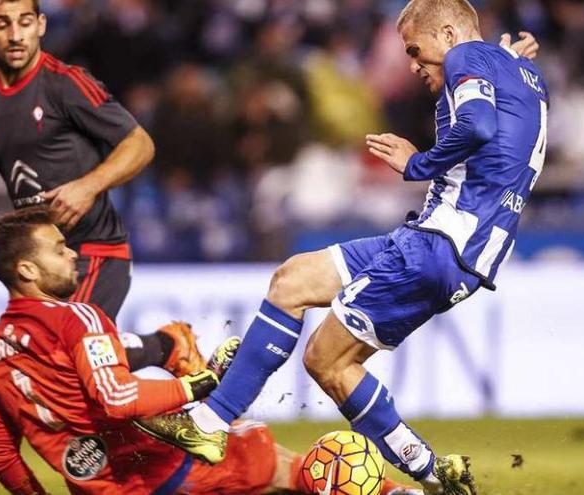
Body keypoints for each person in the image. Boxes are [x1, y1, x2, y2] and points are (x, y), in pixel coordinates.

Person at [138, 2, 547, 494]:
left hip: (441, 245)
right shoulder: (520, 71)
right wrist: (504, 57)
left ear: (447, 32)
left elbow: (478, 125)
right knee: (292, 280)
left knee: (327, 361)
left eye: (416, 51)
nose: (414, 65)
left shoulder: (464, 57)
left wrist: (418, 163)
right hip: (439, 241)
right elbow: (499, 113)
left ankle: (431, 477)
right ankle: (212, 423)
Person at [0, 207, 420, 495]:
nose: (72, 254)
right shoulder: (77, 319)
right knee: (299, 471)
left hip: (100, 489)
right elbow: (116, 398)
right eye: (58, 249)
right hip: (164, 472)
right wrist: (202, 383)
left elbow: (2, 456)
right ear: (27, 269)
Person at [0, 0, 180, 371]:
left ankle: (168, 349)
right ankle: (166, 349)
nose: (15, 34)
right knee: (65, 364)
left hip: (92, 250)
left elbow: (139, 144)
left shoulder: (66, 83)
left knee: (68, 361)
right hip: (41, 262)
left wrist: (88, 186)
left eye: (25, 22)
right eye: (2, 24)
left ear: (40, 25)